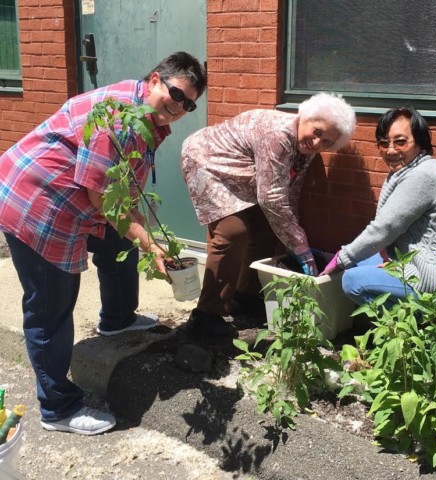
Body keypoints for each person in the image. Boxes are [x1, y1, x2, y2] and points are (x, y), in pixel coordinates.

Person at [0, 52, 207, 435]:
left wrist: (142, 229)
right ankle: (57, 408)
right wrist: (150, 244)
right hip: (38, 204)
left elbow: (123, 190)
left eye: (189, 104)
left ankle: (117, 319)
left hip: (76, 198)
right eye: (176, 94)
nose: (179, 107)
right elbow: (105, 201)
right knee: (51, 307)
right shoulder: (116, 117)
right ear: (155, 78)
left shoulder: (145, 117)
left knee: (118, 243)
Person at [181, 93, 356, 339]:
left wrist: (290, 236)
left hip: (242, 169)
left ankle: (245, 296)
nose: (317, 143)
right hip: (206, 159)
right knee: (232, 232)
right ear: (305, 117)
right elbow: (272, 197)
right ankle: (206, 316)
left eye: (327, 142)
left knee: (267, 228)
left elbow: (289, 195)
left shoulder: (305, 147)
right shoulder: (279, 135)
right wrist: (301, 246)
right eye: (317, 132)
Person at [320, 107, 436, 307]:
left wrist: (339, 260)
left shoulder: (422, 176)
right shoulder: (407, 171)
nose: (391, 150)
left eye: (400, 141)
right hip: (419, 261)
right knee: (360, 262)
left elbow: (384, 229)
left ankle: (420, 324)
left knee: (352, 280)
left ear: (420, 143)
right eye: (384, 143)